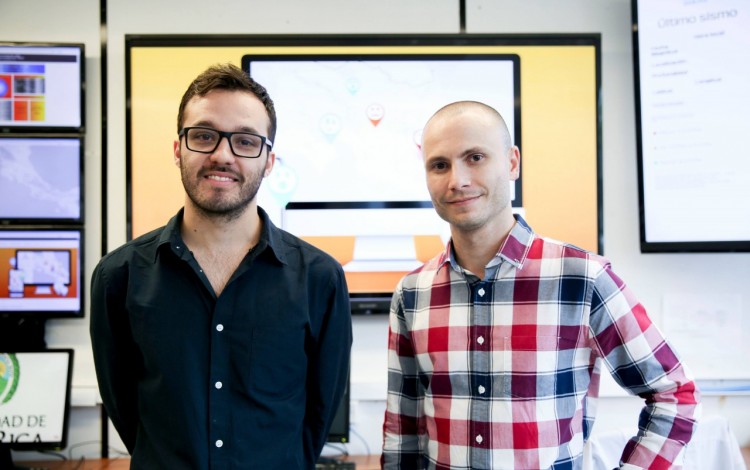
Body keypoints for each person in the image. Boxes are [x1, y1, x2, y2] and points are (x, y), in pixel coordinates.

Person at [381, 101, 700, 469]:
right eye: (440, 165)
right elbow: (403, 430)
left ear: (512, 162)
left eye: (476, 157)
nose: (457, 180)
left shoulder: (583, 278)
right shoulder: (412, 293)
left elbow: (675, 394)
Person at [90, 63, 352, 469]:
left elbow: (318, 416)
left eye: (245, 141)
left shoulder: (320, 279)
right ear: (178, 149)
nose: (222, 155)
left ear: (268, 161)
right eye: (204, 136)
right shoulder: (119, 277)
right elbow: (125, 410)